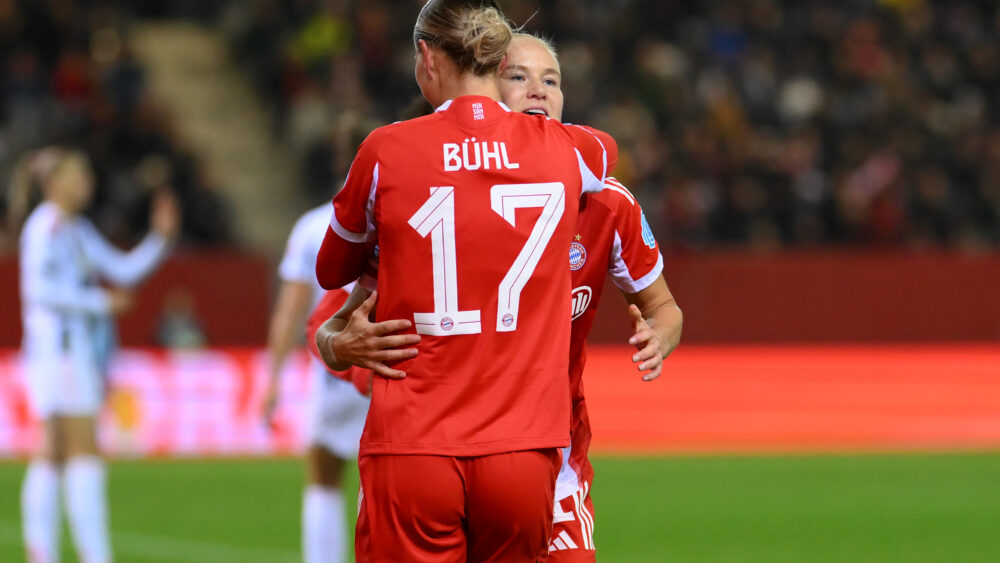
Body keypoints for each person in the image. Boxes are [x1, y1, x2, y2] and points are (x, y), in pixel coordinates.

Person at [313, 32, 682, 562]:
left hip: (547, 444)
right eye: (519, 76)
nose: (539, 90)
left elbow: (665, 308)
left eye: (551, 80)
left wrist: (659, 335)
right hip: (440, 445)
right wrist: (342, 347)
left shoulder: (607, 203)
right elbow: (334, 324)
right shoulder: (430, 190)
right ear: (485, 90)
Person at [13, 147, 179, 563]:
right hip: (61, 351)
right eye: (79, 176)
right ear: (54, 184)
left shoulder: (74, 228)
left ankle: (43, 552)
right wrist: (100, 303)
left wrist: (160, 239)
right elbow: (40, 292)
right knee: (83, 451)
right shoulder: (46, 228)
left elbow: (122, 270)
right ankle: (94, 554)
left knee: (51, 452)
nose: (87, 184)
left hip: (63, 352)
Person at [260, 202, 371, 563]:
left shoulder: (312, 226)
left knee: (323, 474)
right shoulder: (406, 206)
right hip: (396, 362)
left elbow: (291, 309)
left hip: (336, 366)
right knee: (385, 479)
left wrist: (273, 379)